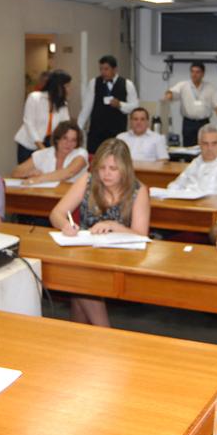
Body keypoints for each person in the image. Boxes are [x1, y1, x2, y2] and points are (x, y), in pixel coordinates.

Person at [49, 139, 150, 327]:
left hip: (119, 258)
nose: (106, 174)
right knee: (81, 279)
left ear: (125, 169)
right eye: (102, 168)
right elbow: (56, 213)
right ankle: (94, 334)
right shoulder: (88, 180)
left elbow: (141, 235)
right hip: (86, 253)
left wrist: (113, 225)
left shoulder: (138, 190)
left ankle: (102, 332)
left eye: (113, 169)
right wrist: (65, 225)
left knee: (81, 282)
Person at [76, 55, 139, 155]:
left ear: (115, 69)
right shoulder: (94, 83)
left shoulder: (127, 84)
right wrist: (78, 128)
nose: (103, 72)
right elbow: (86, 108)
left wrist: (120, 105)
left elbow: (135, 107)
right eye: (101, 69)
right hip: (96, 133)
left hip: (117, 132)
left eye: (106, 69)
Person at [14, 70, 71, 164]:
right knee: (25, 171)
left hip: (48, 145)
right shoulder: (34, 98)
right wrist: (41, 147)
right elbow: (29, 123)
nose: (69, 89)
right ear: (58, 86)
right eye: (67, 86)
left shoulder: (62, 104)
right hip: (28, 145)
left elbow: (65, 126)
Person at [167, 125, 217, 196]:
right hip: (187, 201)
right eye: (205, 144)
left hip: (210, 203)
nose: (209, 148)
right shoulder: (196, 162)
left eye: (214, 144)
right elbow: (177, 184)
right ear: (199, 144)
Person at [163, 62, 217, 146]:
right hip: (188, 123)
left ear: (203, 74)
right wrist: (168, 95)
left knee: (205, 146)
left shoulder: (210, 88)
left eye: (197, 72)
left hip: (204, 123)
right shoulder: (183, 85)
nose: (194, 74)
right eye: (192, 71)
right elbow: (171, 92)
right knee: (188, 147)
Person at [12, 120, 88, 184]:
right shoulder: (44, 153)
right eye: (65, 138)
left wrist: (39, 179)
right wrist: (29, 173)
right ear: (57, 139)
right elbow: (16, 172)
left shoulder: (81, 154)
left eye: (73, 140)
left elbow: (68, 173)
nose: (68, 143)